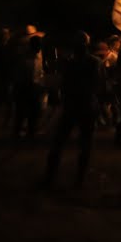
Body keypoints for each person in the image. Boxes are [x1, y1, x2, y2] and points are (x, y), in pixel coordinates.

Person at [41, 30, 104, 188]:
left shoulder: (71, 63)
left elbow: (64, 83)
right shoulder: (91, 63)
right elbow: (99, 85)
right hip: (82, 105)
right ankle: (74, 178)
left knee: (65, 142)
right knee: (80, 143)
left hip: (76, 105)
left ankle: (59, 177)